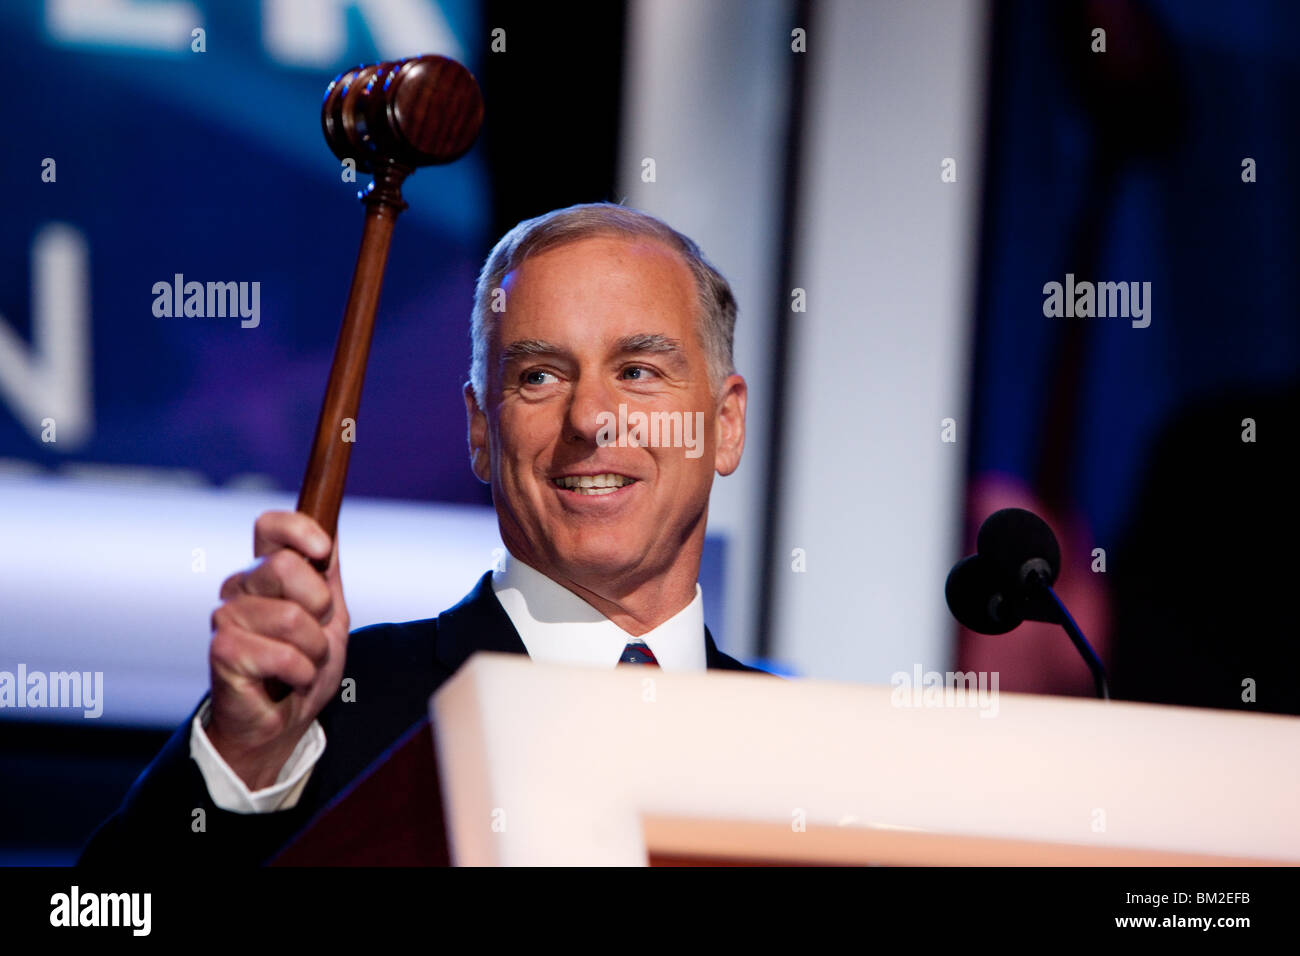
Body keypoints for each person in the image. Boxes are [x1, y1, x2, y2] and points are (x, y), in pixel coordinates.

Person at [79, 203, 767, 865]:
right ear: (478, 430)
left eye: (638, 371)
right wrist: (242, 764)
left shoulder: (797, 751)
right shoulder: (321, 716)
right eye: (538, 376)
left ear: (726, 424)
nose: (590, 418)